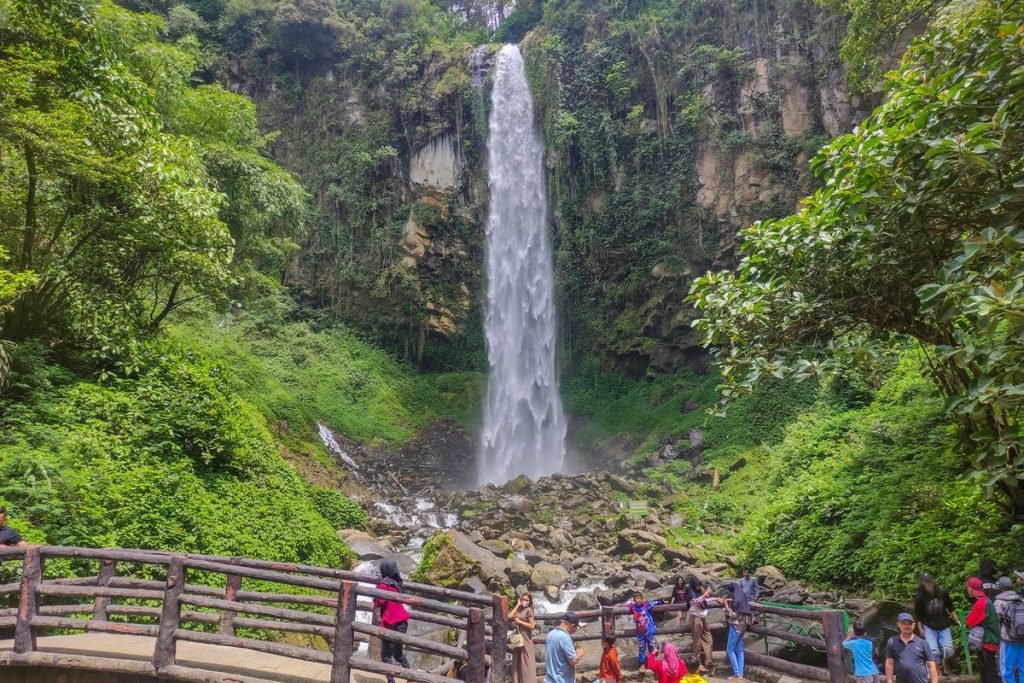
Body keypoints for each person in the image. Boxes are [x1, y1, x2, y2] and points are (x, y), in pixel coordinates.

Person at [913, 573, 960, 674]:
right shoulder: (920, 597)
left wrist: (956, 619)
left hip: (944, 623)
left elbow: (950, 606)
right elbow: (919, 614)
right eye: (926, 582)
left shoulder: (942, 592)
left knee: (949, 650)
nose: (929, 584)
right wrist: (920, 627)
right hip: (929, 625)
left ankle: (946, 665)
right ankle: (937, 673)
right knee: (933, 652)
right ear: (923, 584)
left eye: (930, 581)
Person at [374, 559, 411, 683]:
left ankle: (391, 681)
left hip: (389, 622)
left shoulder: (383, 584)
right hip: (402, 621)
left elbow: (379, 602)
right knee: (398, 653)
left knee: (386, 654)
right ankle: (411, 677)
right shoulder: (397, 583)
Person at [964, 577, 1000, 683]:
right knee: (988, 672)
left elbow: (969, 621)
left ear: (970, 589)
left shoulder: (981, 603)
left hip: (987, 643)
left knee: (989, 674)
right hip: (990, 641)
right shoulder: (986, 600)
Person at [885, 613, 938, 683]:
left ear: (914, 625)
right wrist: (889, 681)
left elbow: (931, 666)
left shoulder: (923, 643)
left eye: (909, 623)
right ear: (898, 624)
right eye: (904, 623)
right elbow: (889, 664)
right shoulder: (892, 642)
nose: (907, 626)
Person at [995, 576, 1024, 683]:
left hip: (1008, 639)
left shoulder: (999, 601)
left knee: (1007, 669)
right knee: (1023, 667)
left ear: (1000, 587)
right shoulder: (1020, 599)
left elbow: (995, 622)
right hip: (1022, 637)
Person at [724, 582, 754, 680]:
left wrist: (726, 606)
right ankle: (740, 674)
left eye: (731, 591)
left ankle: (737, 674)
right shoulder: (742, 598)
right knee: (739, 650)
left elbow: (734, 615)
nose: (731, 593)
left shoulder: (737, 601)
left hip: (735, 627)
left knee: (730, 649)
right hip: (743, 627)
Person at [545, 612, 585, 683]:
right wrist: (579, 654)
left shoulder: (550, 634)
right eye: (576, 628)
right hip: (562, 680)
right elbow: (573, 661)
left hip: (549, 680)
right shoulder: (565, 638)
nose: (575, 630)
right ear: (573, 626)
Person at [628, 591, 665, 669]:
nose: (639, 600)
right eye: (637, 598)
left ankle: (652, 663)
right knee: (641, 648)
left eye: (640, 598)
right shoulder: (633, 607)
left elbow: (655, 603)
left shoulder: (646, 605)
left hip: (649, 630)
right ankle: (642, 664)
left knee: (651, 647)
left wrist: (662, 601)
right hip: (640, 632)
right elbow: (627, 604)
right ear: (634, 600)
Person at [686, 578, 713, 675]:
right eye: (697, 585)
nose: (698, 586)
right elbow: (696, 602)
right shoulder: (691, 593)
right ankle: (698, 665)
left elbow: (705, 599)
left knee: (709, 639)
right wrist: (705, 594)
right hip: (695, 618)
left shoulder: (698, 592)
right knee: (697, 642)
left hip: (702, 618)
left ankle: (708, 662)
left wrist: (715, 599)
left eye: (699, 584)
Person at [508, 592, 537, 683]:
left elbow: (532, 626)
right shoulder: (519, 609)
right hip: (518, 638)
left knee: (527, 661)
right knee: (517, 660)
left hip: (526, 638)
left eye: (526, 600)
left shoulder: (529, 610)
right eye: (523, 599)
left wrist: (519, 622)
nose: (524, 601)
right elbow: (509, 616)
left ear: (530, 601)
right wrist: (517, 604)